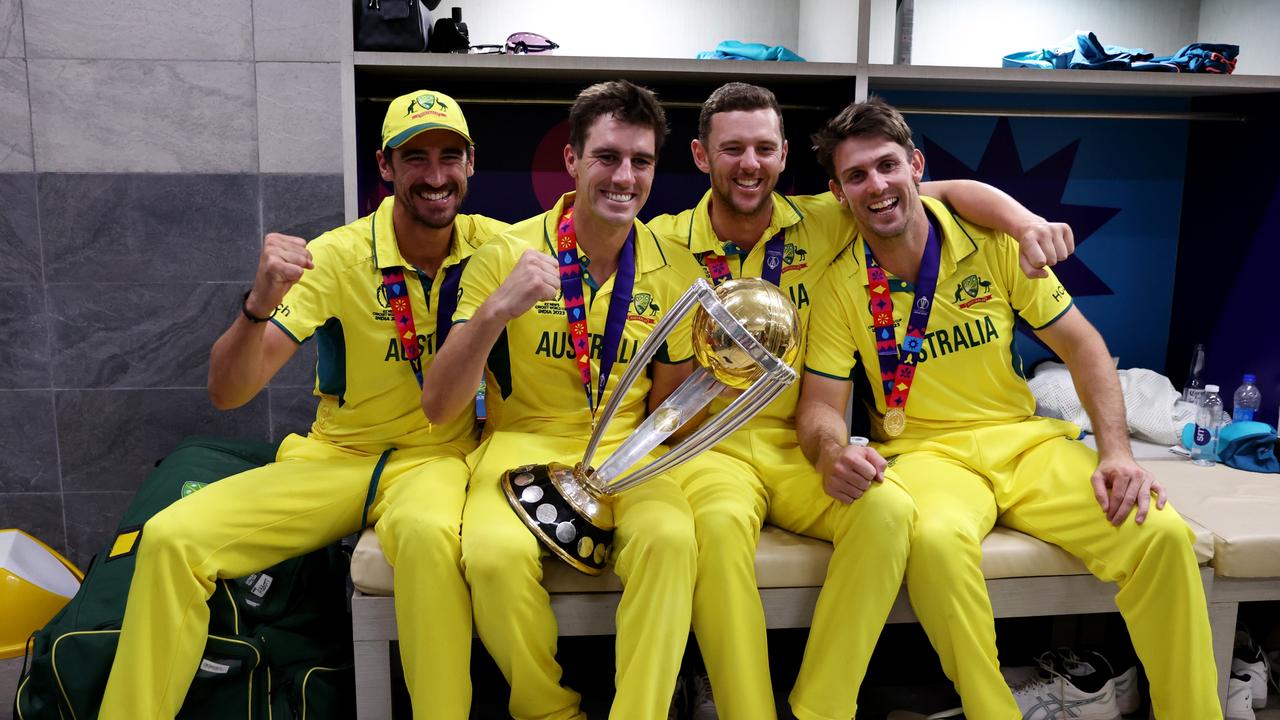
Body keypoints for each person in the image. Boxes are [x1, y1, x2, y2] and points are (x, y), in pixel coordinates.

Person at [645, 82, 1077, 720]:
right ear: (701, 156)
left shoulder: (827, 215)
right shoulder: (660, 242)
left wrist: (1023, 222)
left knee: (888, 509)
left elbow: (945, 193)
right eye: (731, 148)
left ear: (784, 155)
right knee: (717, 529)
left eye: (764, 147)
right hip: (713, 446)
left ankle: (822, 707)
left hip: (797, 442)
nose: (749, 163)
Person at [795, 96, 1219, 719]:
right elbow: (821, 406)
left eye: (887, 166)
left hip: (1023, 441)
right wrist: (834, 449)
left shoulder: (994, 243)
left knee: (1158, 534)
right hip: (924, 454)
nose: (876, 185)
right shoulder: (838, 285)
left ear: (915, 165)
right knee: (936, 542)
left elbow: (1085, 347)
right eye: (857, 176)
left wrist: (1118, 454)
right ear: (839, 193)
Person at [98, 89, 505, 720]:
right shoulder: (338, 255)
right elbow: (228, 392)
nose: (434, 174)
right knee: (173, 538)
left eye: (449, 155)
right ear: (384, 166)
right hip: (336, 458)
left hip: (437, 460)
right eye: (414, 156)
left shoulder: (498, 247)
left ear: (471, 163)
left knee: (428, 538)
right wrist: (257, 303)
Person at [422, 79, 707, 720]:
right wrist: (498, 308)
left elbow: (669, 411)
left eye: (641, 161)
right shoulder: (505, 252)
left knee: (669, 539)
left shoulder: (676, 268)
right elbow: (440, 405)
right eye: (607, 157)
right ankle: (549, 711)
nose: (624, 177)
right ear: (572, 161)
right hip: (521, 442)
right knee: (492, 556)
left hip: (629, 450)